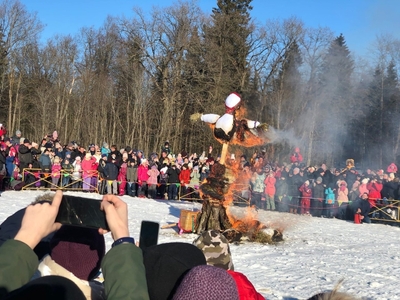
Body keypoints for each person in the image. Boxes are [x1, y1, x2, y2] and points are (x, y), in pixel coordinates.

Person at [0, 191, 149, 299]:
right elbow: (129, 294)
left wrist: (25, 237)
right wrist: (123, 241)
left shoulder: (23, 286)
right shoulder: (103, 293)